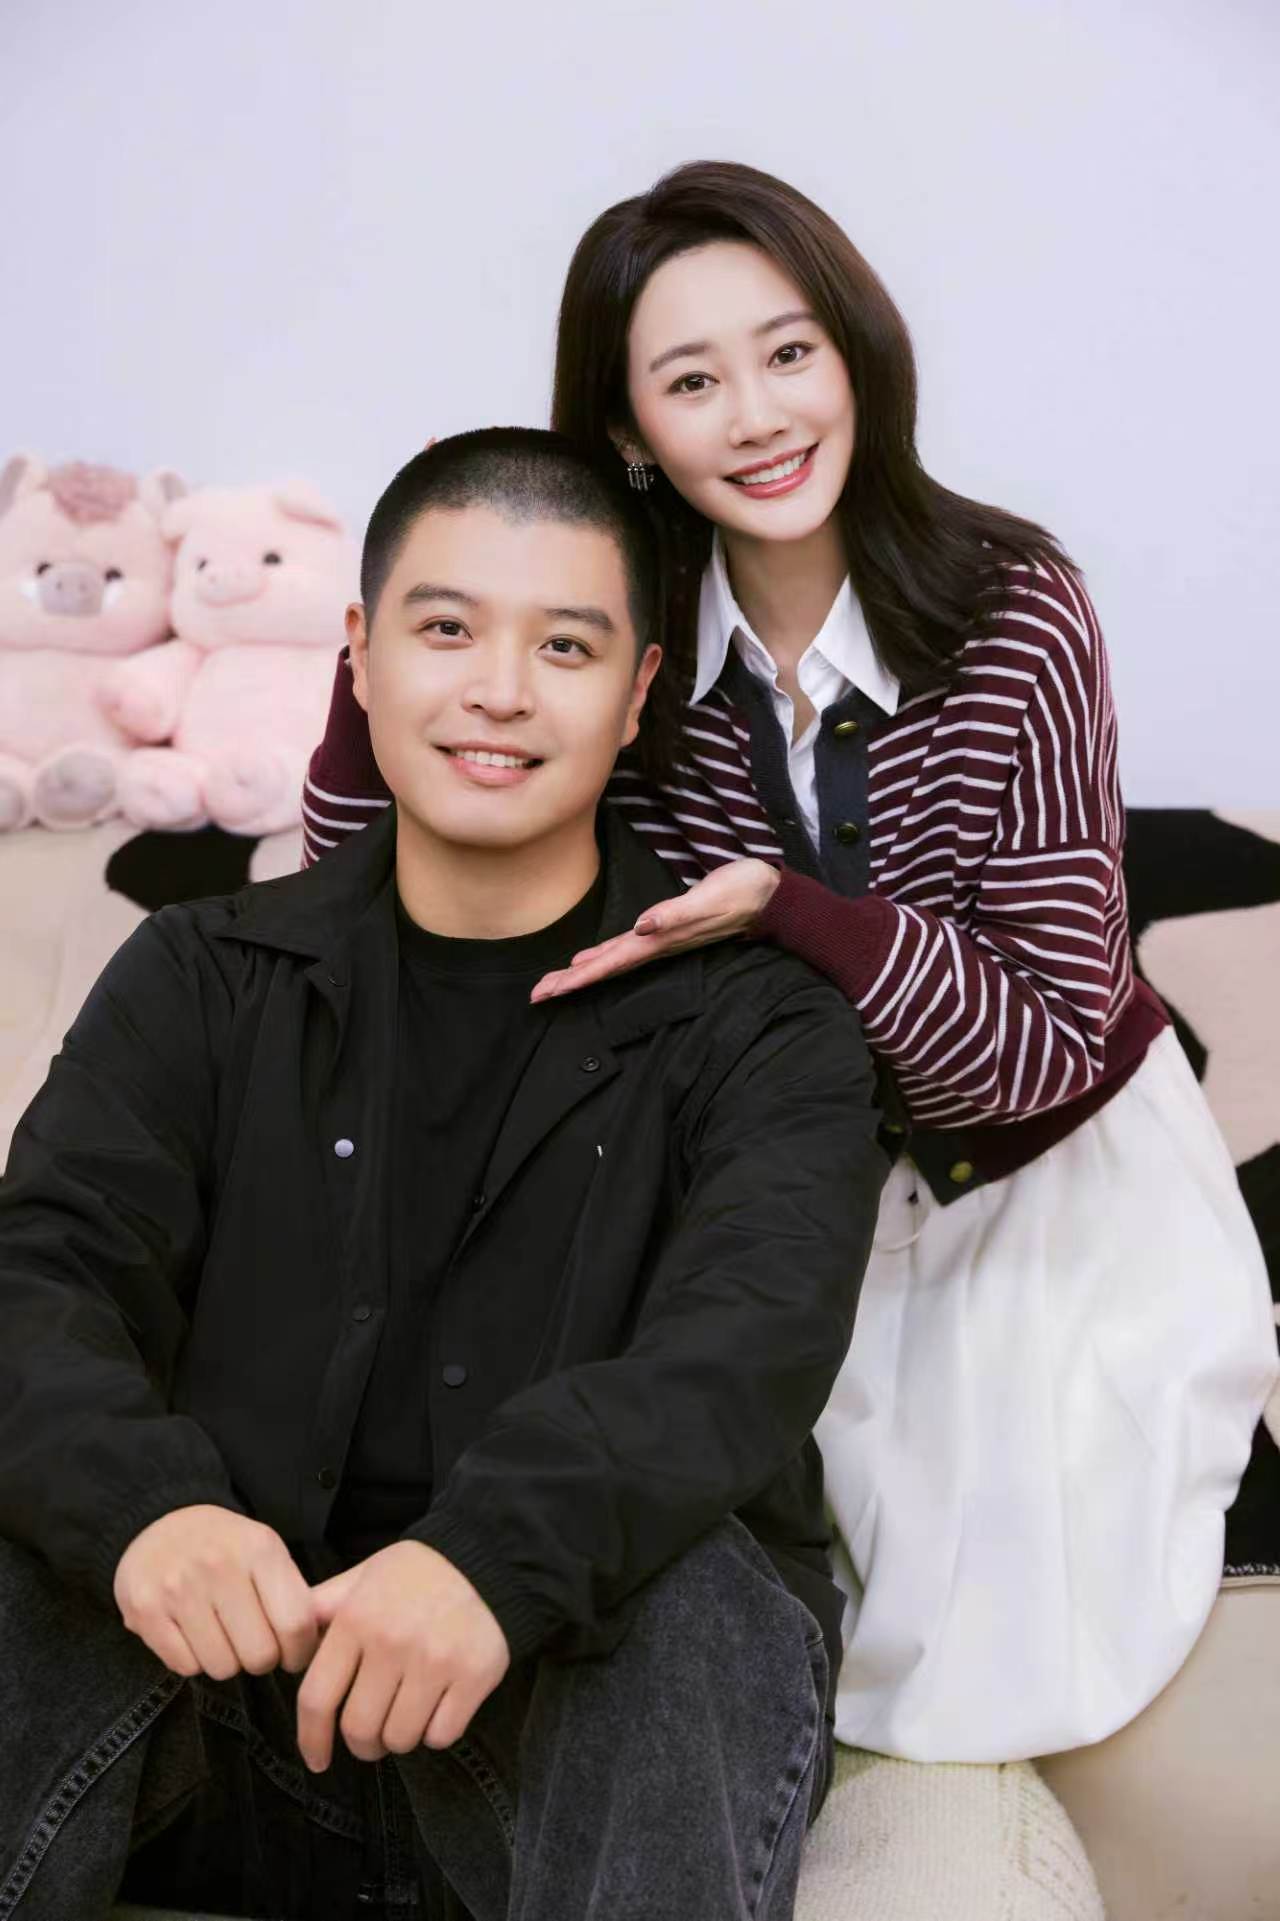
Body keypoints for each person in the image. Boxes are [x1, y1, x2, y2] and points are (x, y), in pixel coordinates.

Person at [302, 162, 1278, 1798]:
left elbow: (1041, 1047)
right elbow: (363, 888)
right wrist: (396, 655)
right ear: (630, 427)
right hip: (763, 1198)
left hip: (1037, 1171)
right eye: (691, 381)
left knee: (1008, 1603)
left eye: (789, 353)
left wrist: (796, 916)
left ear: (855, 353)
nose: (758, 416)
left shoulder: (1017, 608)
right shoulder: (618, 637)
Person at [0, 428, 890, 1920]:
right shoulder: (202, 974)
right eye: (448, 629)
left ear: (637, 694)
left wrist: (486, 1560)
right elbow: (44, 1270)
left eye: (565, 646)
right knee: (34, 1533)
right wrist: (149, 1511)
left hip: (555, 1710)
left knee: (696, 1600)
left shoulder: (765, 1024)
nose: (500, 690)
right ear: (359, 655)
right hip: (223, 1699)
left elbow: (745, 1347)